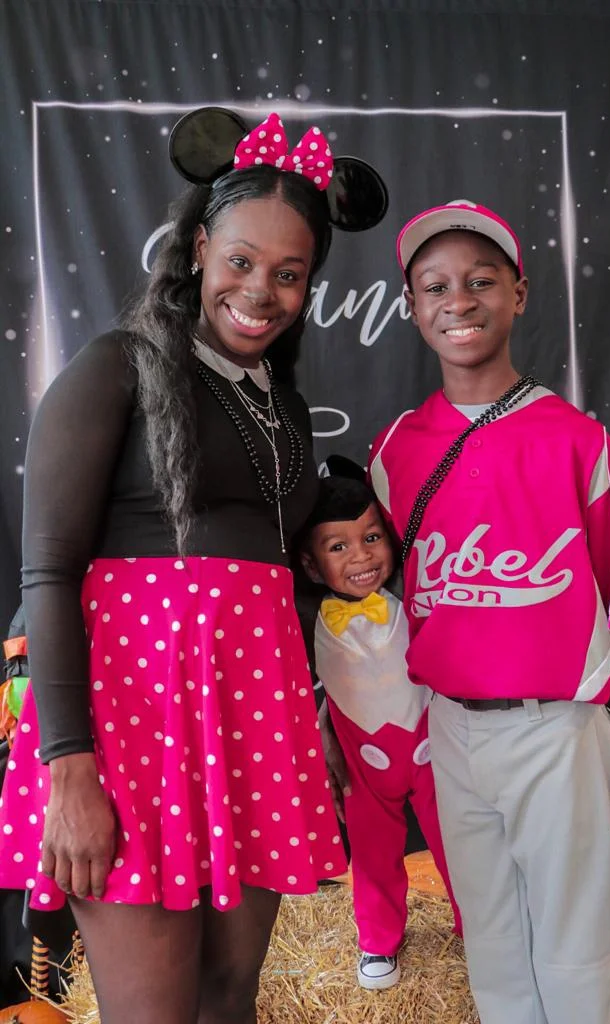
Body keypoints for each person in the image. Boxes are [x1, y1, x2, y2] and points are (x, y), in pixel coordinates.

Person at [0, 108, 386, 1024]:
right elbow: (47, 574)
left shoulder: (283, 406)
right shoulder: (117, 367)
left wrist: (319, 719)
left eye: (288, 273)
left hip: (254, 725)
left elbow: (279, 586)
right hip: (130, 737)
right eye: (242, 261)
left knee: (228, 1000)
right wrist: (69, 767)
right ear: (201, 248)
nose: (261, 291)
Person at [366, 200, 610, 1024]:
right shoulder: (393, 448)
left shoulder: (578, 441)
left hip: (556, 734)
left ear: (519, 294)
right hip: (450, 730)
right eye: (434, 286)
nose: (457, 301)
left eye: (481, 280)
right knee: (492, 953)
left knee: (575, 960)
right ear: (411, 306)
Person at [299, 473, 461, 991]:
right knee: (371, 854)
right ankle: (378, 939)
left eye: (371, 538)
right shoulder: (306, 619)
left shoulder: (415, 600)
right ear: (311, 565)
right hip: (362, 763)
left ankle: (480, 924)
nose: (361, 556)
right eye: (338, 546)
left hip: (431, 748)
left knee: (459, 843)